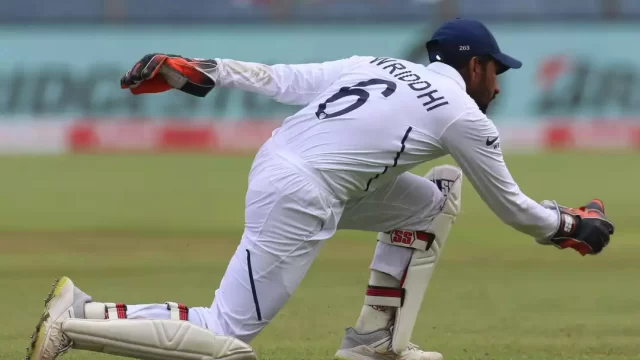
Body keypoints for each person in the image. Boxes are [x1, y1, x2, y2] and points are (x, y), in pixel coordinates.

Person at [27, 18, 614, 360]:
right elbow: (514, 209)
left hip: (283, 161)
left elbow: (282, 80)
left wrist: (202, 67)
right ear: (475, 66)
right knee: (226, 334)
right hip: (303, 194)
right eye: (497, 71)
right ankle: (77, 320)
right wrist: (570, 226)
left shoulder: (379, 64)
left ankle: (374, 343)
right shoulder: (463, 115)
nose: (499, 84)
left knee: (432, 200)